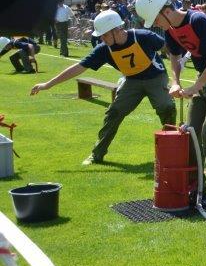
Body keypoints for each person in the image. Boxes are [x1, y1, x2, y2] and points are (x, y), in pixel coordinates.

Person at [135, 0, 206, 208]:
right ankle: (195, 186)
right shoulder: (170, 28)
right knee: (190, 132)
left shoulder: (197, 20)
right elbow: (174, 56)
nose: (156, 24)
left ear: (166, 11)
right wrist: (176, 81)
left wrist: (195, 87)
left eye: (156, 19)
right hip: (205, 78)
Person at [29, 9, 176, 165]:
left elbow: (170, 49)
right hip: (132, 82)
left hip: (156, 78)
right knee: (114, 113)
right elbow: (78, 67)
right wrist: (48, 84)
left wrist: (176, 79)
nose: (102, 39)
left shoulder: (144, 36)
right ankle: (97, 154)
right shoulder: (104, 49)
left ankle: (173, 150)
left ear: (116, 30)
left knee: (166, 107)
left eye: (104, 35)